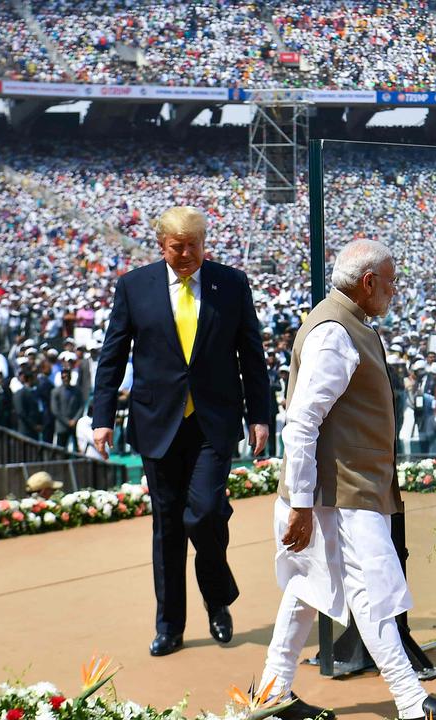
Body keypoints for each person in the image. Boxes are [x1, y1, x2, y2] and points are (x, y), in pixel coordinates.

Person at [262, 239, 436, 720]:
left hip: (337, 489)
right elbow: (301, 423)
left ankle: (273, 694)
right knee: (373, 591)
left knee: (306, 592)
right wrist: (299, 504)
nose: (395, 291)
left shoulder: (346, 323)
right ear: (368, 281)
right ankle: (413, 702)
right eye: (392, 281)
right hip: (337, 493)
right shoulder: (335, 332)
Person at [91, 206, 271, 658]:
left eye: (195, 245)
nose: (187, 254)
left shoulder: (231, 284)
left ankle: (216, 596)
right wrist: (101, 416)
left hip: (213, 421)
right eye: (178, 247)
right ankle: (170, 625)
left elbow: (251, 354)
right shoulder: (135, 287)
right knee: (168, 526)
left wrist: (261, 415)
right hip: (157, 422)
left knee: (206, 511)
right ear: (162, 245)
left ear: (205, 242)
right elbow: (113, 356)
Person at [51, 368, 86, 449]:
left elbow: (81, 406)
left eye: (67, 376)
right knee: (61, 450)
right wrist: (67, 422)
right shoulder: (55, 391)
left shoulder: (77, 390)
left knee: (78, 449)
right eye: (63, 377)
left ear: (70, 377)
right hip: (62, 426)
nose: (65, 379)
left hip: (75, 425)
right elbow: (55, 410)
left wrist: (75, 420)